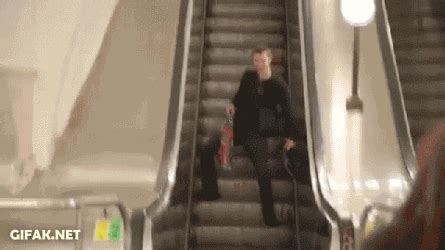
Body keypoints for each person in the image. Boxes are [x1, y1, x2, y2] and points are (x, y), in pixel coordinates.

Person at [199, 47, 300, 227]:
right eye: (256, 61)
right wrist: (231, 104)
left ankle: (270, 217)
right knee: (207, 149)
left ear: (270, 60)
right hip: (237, 127)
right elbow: (238, 98)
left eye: (262, 60)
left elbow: (288, 113)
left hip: (257, 133)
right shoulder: (248, 77)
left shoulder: (278, 85)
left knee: (263, 171)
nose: (259, 65)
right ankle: (210, 192)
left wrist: (292, 136)